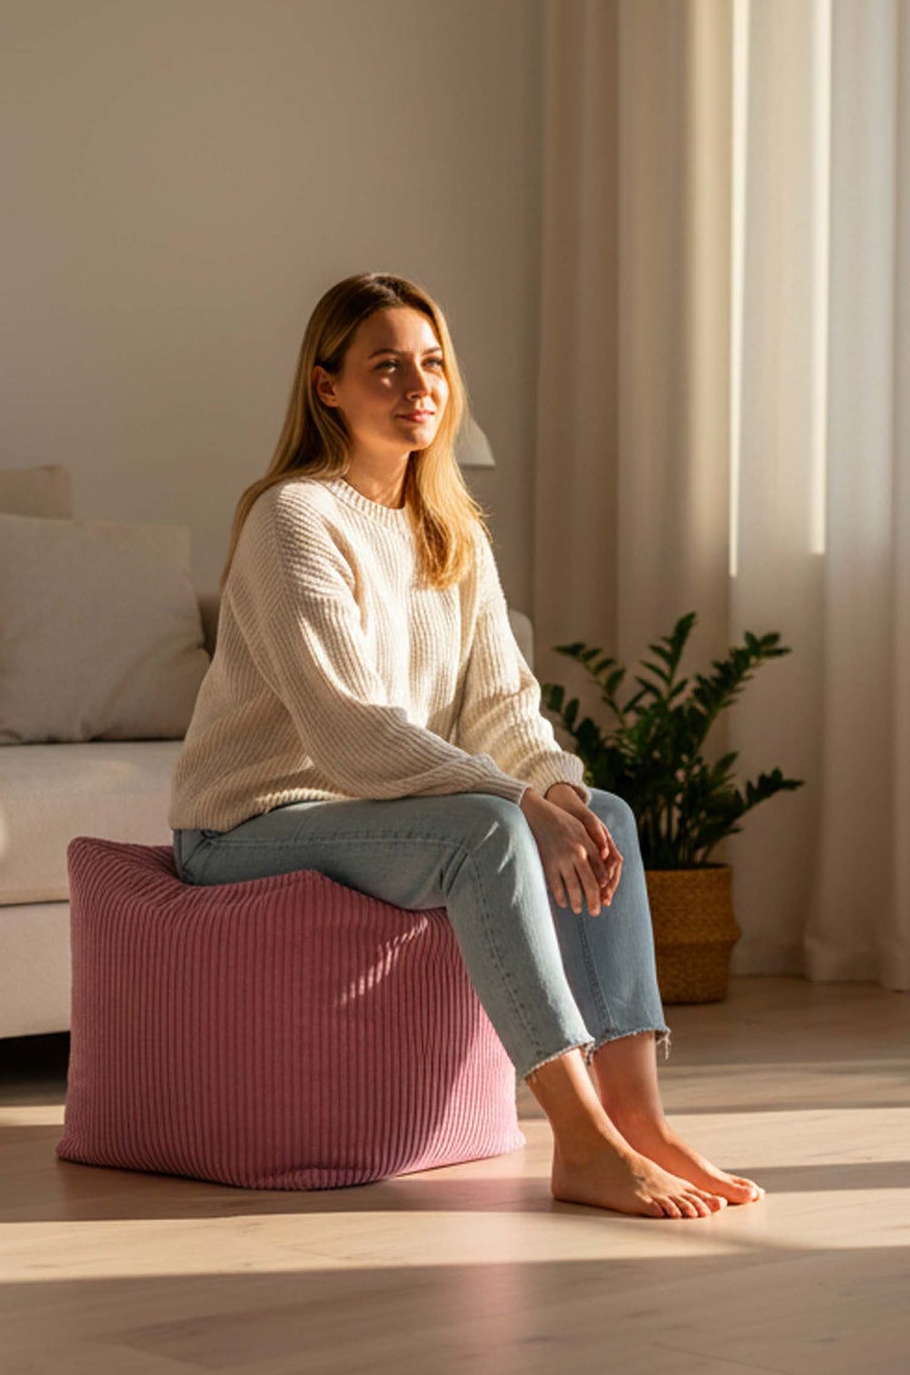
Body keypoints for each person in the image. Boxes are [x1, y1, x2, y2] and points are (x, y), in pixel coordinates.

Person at [168, 272, 763, 1218]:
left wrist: (555, 788)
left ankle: (638, 1120)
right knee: (487, 831)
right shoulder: (293, 518)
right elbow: (349, 730)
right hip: (252, 823)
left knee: (600, 810)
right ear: (329, 387)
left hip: (373, 810)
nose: (419, 386)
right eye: (387, 367)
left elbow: (503, 708)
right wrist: (516, 803)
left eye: (433, 363)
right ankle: (579, 1141)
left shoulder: (454, 529)